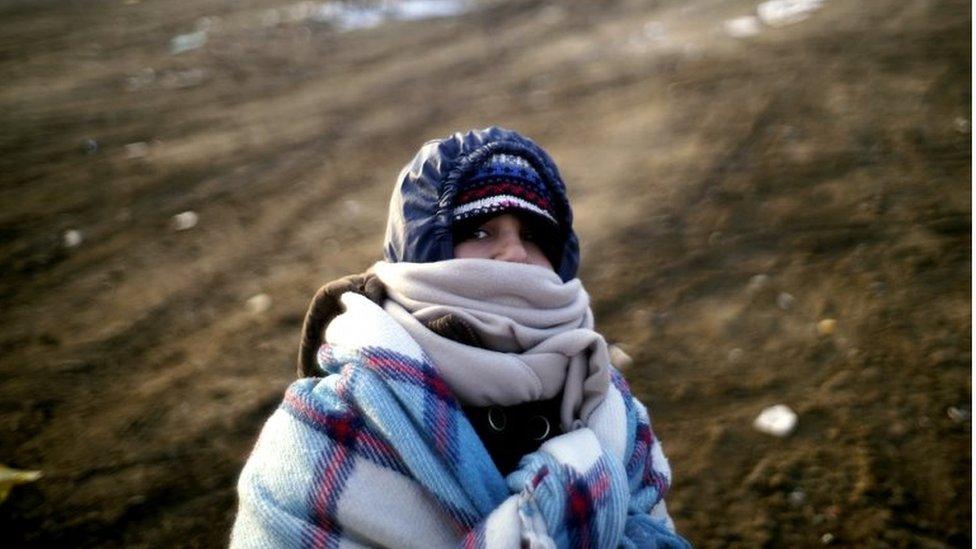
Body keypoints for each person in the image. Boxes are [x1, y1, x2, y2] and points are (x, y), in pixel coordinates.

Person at [230, 127, 690, 548]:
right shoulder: (330, 427)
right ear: (421, 253)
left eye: (532, 235)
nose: (513, 253)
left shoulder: (608, 402)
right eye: (479, 229)